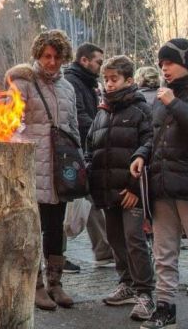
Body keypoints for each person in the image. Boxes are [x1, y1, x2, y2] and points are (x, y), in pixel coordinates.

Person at [131, 38, 188, 329]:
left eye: (169, 62)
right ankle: (165, 309)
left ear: (186, 61)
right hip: (162, 186)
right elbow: (154, 136)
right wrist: (141, 155)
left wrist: (175, 103)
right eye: (161, 64)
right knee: (163, 253)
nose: (164, 69)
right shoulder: (163, 97)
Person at [5, 29, 80, 311]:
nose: (51, 62)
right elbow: (10, 124)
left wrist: (77, 160)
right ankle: (34, 285)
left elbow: (72, 127)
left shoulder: (68, 87)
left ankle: (55, 283)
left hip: (60, 169)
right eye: (47, 56)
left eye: (57, 56)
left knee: (54, 228)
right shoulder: (23, 82)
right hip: (32, 167)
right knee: (32, 229)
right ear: (38, 55)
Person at [86, 56, 155, 321]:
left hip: (131, 192)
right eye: (106, 79)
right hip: (107, 192)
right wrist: (90, 172)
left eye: (114, 79)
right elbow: (92, 145)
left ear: (129, 80)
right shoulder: (102, 111)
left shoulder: (141, 110)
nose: (109, 84)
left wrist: (135, 187)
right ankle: (125, 283)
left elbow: (149, 147)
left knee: (134, 240)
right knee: (115, 240)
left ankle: (145, 293)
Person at [64, 42, 113, 272]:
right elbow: (79, 116)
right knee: (63, 199)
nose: (100, 67)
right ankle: (57, 254)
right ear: (84, 60)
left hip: (87, 147)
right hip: (76, 148)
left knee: (92, 198)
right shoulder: (73, 82)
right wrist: (102, 127)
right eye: (98, 62)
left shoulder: (88, 83)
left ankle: (103, 249)